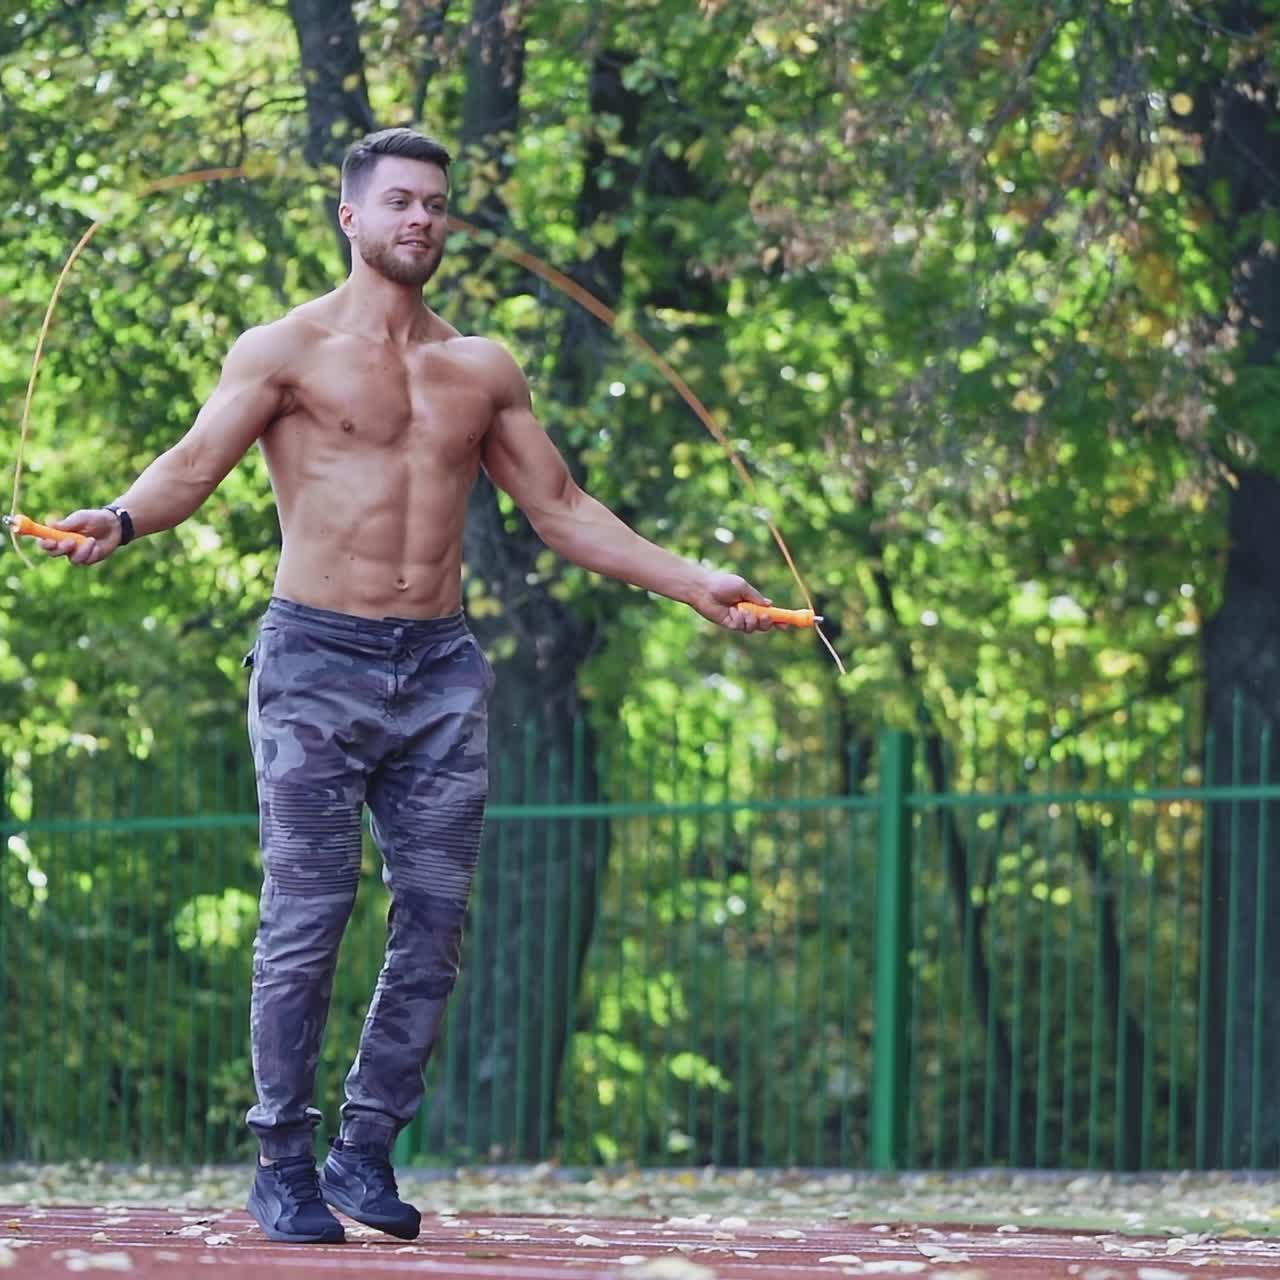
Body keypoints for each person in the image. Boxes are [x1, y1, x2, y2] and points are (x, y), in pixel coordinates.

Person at [37, 127, 778, 1245]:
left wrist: (692, 583)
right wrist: (121, 518)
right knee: (308, 916)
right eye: (398, 202)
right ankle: (281, 1159)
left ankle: (363, 1148)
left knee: (432, 926)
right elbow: (194, 462)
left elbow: (563, 507)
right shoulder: (283, 351)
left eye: (435, 203)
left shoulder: (480, 368)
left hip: (437, 671)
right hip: (312, 664)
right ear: (352, 217)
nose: (420, 219)